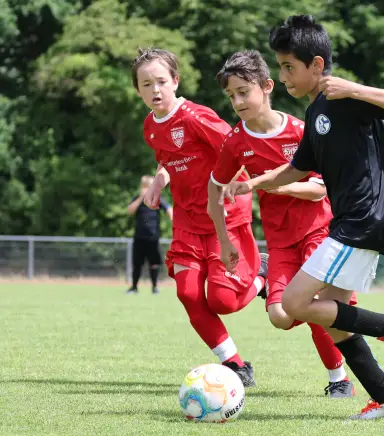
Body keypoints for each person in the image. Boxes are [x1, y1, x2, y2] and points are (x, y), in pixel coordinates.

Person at [224, 15, 384, 419]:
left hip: (361, 220)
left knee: (294, 302)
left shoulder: (344, 96)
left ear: (316, 65)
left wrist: (354, 88)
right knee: (333, 319)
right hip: (349, 222)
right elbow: (297, 168)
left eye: (288, 67)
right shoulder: (316, 112)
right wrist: (253, 184)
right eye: (280, 67)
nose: (283, 76)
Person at [209, 50, 355, 398]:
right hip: (281, 242)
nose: (237, 102)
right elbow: (215, 188)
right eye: (231, 96)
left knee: (315, 301)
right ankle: (267, 275)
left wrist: (277, 185)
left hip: (319, 231)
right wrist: (224, 241)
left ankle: (339, 379)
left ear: (267, 86)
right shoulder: (236, 141)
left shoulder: (301, 131)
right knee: (279, 316)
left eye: (243, 92)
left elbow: (320, 190)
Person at [131, 47, 267, 386]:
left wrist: (253, 182)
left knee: (223, 301)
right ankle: (235, 364)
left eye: (161, 81)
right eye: (146, 84)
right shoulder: (150, 127)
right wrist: (159, 182)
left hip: (225, 217)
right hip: (188, 222)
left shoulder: (195, 117)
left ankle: (261, 276)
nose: (155, 89)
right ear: (138, 90)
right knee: (188, 294)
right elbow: (169, 160)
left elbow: (236, 148)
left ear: (175, 81)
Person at [126, 175, 173, 294]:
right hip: (139, 236)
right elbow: (130, 210)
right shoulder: (138, 199)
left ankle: (155, 287)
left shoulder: (157, 199)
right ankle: (134, 287)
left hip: (153, 236)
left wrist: (174, 221)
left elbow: (169, 209)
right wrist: (141, 198)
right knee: (137, 263)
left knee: (154, 263)